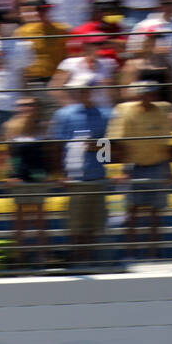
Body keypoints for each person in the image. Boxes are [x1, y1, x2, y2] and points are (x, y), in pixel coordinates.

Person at [107, 80, 172, 258]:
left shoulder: (161, 113)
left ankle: (153, 253)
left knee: (155, 214)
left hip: (158, 165)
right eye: (147, 93)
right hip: (133, 167)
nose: (150, 97)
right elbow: (115, 143)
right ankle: (130, 253)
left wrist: (170, 171)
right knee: (132, 212)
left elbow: (166, 144)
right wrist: (120, 170)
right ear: (140, 95)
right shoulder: (126, 113)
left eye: (152, 93)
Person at [50, 76, 111, 266]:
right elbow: (56, 146)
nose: (84, 93)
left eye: (88, 90)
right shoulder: (64, 115)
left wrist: (94, 147)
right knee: (76, 222)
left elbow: (107, 151)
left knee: (95, 222)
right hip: (75, 176)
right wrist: (59, 173)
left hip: (96, 175)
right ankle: (77, 258)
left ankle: (90, 258)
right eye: (81, 90)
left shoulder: (104, 114)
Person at [0, 95, 52, 266]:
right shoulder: (9, 126)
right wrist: (9, 175)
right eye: (22, 105)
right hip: (19, 177)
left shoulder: (42, 126)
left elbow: (50, 151)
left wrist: (48, 174)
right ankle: (21, 255)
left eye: (30, 105)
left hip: (38, 176)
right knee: (20, 219)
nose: (27, 108)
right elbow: (5, 153)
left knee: (39, 218)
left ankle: (42, 254)